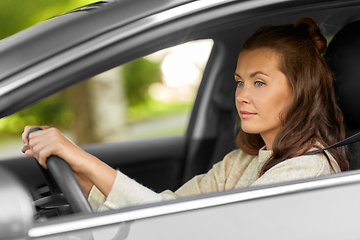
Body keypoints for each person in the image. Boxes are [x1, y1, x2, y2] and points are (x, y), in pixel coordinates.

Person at [21, 17, 350, 211]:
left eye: (259, 82)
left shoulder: (307, 171)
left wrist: (81, 158)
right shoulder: (241, 162)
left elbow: (187, 229)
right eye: (239, 82)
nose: (242, 96)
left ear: (300, 90)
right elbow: (167, 208)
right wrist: (79, 173)